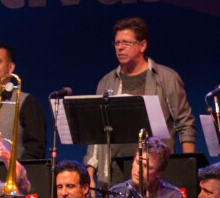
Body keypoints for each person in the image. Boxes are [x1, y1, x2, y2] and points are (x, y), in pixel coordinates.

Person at [84, 17, 196, 189]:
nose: (120, 48)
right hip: (116, 170)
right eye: (117, 43)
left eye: (126, 43)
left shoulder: (166, 78)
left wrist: (189, 168)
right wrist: (90, 171)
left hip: (154, 170)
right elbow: (98, 131)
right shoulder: (106, 82)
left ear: (142, 45)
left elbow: (185, 124)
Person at [105, 137, 184, 198]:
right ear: (133, 161)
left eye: (147, 167)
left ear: (160, 172)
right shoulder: (114, 194)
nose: (139, 170)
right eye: (138, 162)